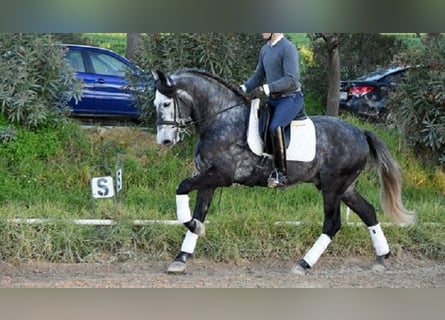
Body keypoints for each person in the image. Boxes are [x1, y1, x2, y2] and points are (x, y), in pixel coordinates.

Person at [241, 33, 305, 188]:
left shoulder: (288, 48)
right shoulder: (265, 49)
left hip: (291, 98)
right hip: (273, 100)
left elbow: (291, 79)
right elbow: (258, 75)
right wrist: (241, 88)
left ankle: (281, 174)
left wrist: (266, 88)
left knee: (275, 127)